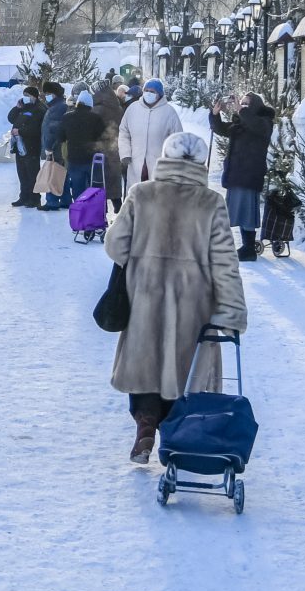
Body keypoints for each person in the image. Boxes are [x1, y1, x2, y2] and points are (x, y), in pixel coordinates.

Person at [103, 130, 247, 463]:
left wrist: (141, 257)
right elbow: (225, 263)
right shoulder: (212, 203)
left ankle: (145, 426)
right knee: (185, 373)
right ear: (200, 163)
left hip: (145, 298)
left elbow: (115, 244)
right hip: (192, 304)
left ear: (165, 159)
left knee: (145, 367)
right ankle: (179, 438)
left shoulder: (142, 194)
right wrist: (231, 311)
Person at [210, 92, 275, 262]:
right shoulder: (241, 123)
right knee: (238, 212)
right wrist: (215, 115)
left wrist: (241, 111)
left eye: (247, 103)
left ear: (255, 105)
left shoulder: (264, 122)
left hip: (250, 174)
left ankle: (248, 248)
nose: (243, 106)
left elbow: (257, 126)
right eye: (242, 103)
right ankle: (246, 246)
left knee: (246, 212)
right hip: (236, 174)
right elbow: (222, 129)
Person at [117, 79, 184, 205]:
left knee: (156, 200)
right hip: (136, 163)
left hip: (159, 165)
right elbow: (124, 132)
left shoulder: (169, 112)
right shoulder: (133, 109)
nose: (148, 93)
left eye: (152, 91)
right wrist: (125, 153)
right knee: (136, 198)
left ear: (159, 94)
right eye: (146, 91)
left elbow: (178, 139)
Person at [60, 91, 106, 200]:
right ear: (90, 104)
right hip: (92, 159)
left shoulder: (67, 117)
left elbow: (61, 136)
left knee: (77, 188)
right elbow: (103, 137)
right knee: (95, 187)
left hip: (74, 158)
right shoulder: (96, 118)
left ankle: (79, 212)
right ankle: (95, 212)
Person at [7, 84, 45, 208]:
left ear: (34, 96)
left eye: (27, 95)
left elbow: (35, 128)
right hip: (20, 146)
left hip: (32, 146)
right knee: (22, 173)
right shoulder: (24, 108)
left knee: (32, 173)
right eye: (24, 95)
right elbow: (11, 118)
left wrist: (20, 132)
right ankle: (24, 196)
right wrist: (17, 108)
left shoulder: (39, 109)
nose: (25, 98)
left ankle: (34, 198)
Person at [38, 82, 69, 211]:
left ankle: (52, 201)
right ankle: (66, 199)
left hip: (55, 147)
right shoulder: (58, 106)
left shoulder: (57, 108)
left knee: (53, 173)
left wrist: (49, 146)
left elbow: (53, 129)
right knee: (62, 173)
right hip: (59, 146)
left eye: (48, 94)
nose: (46, 96)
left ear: (54, 94)